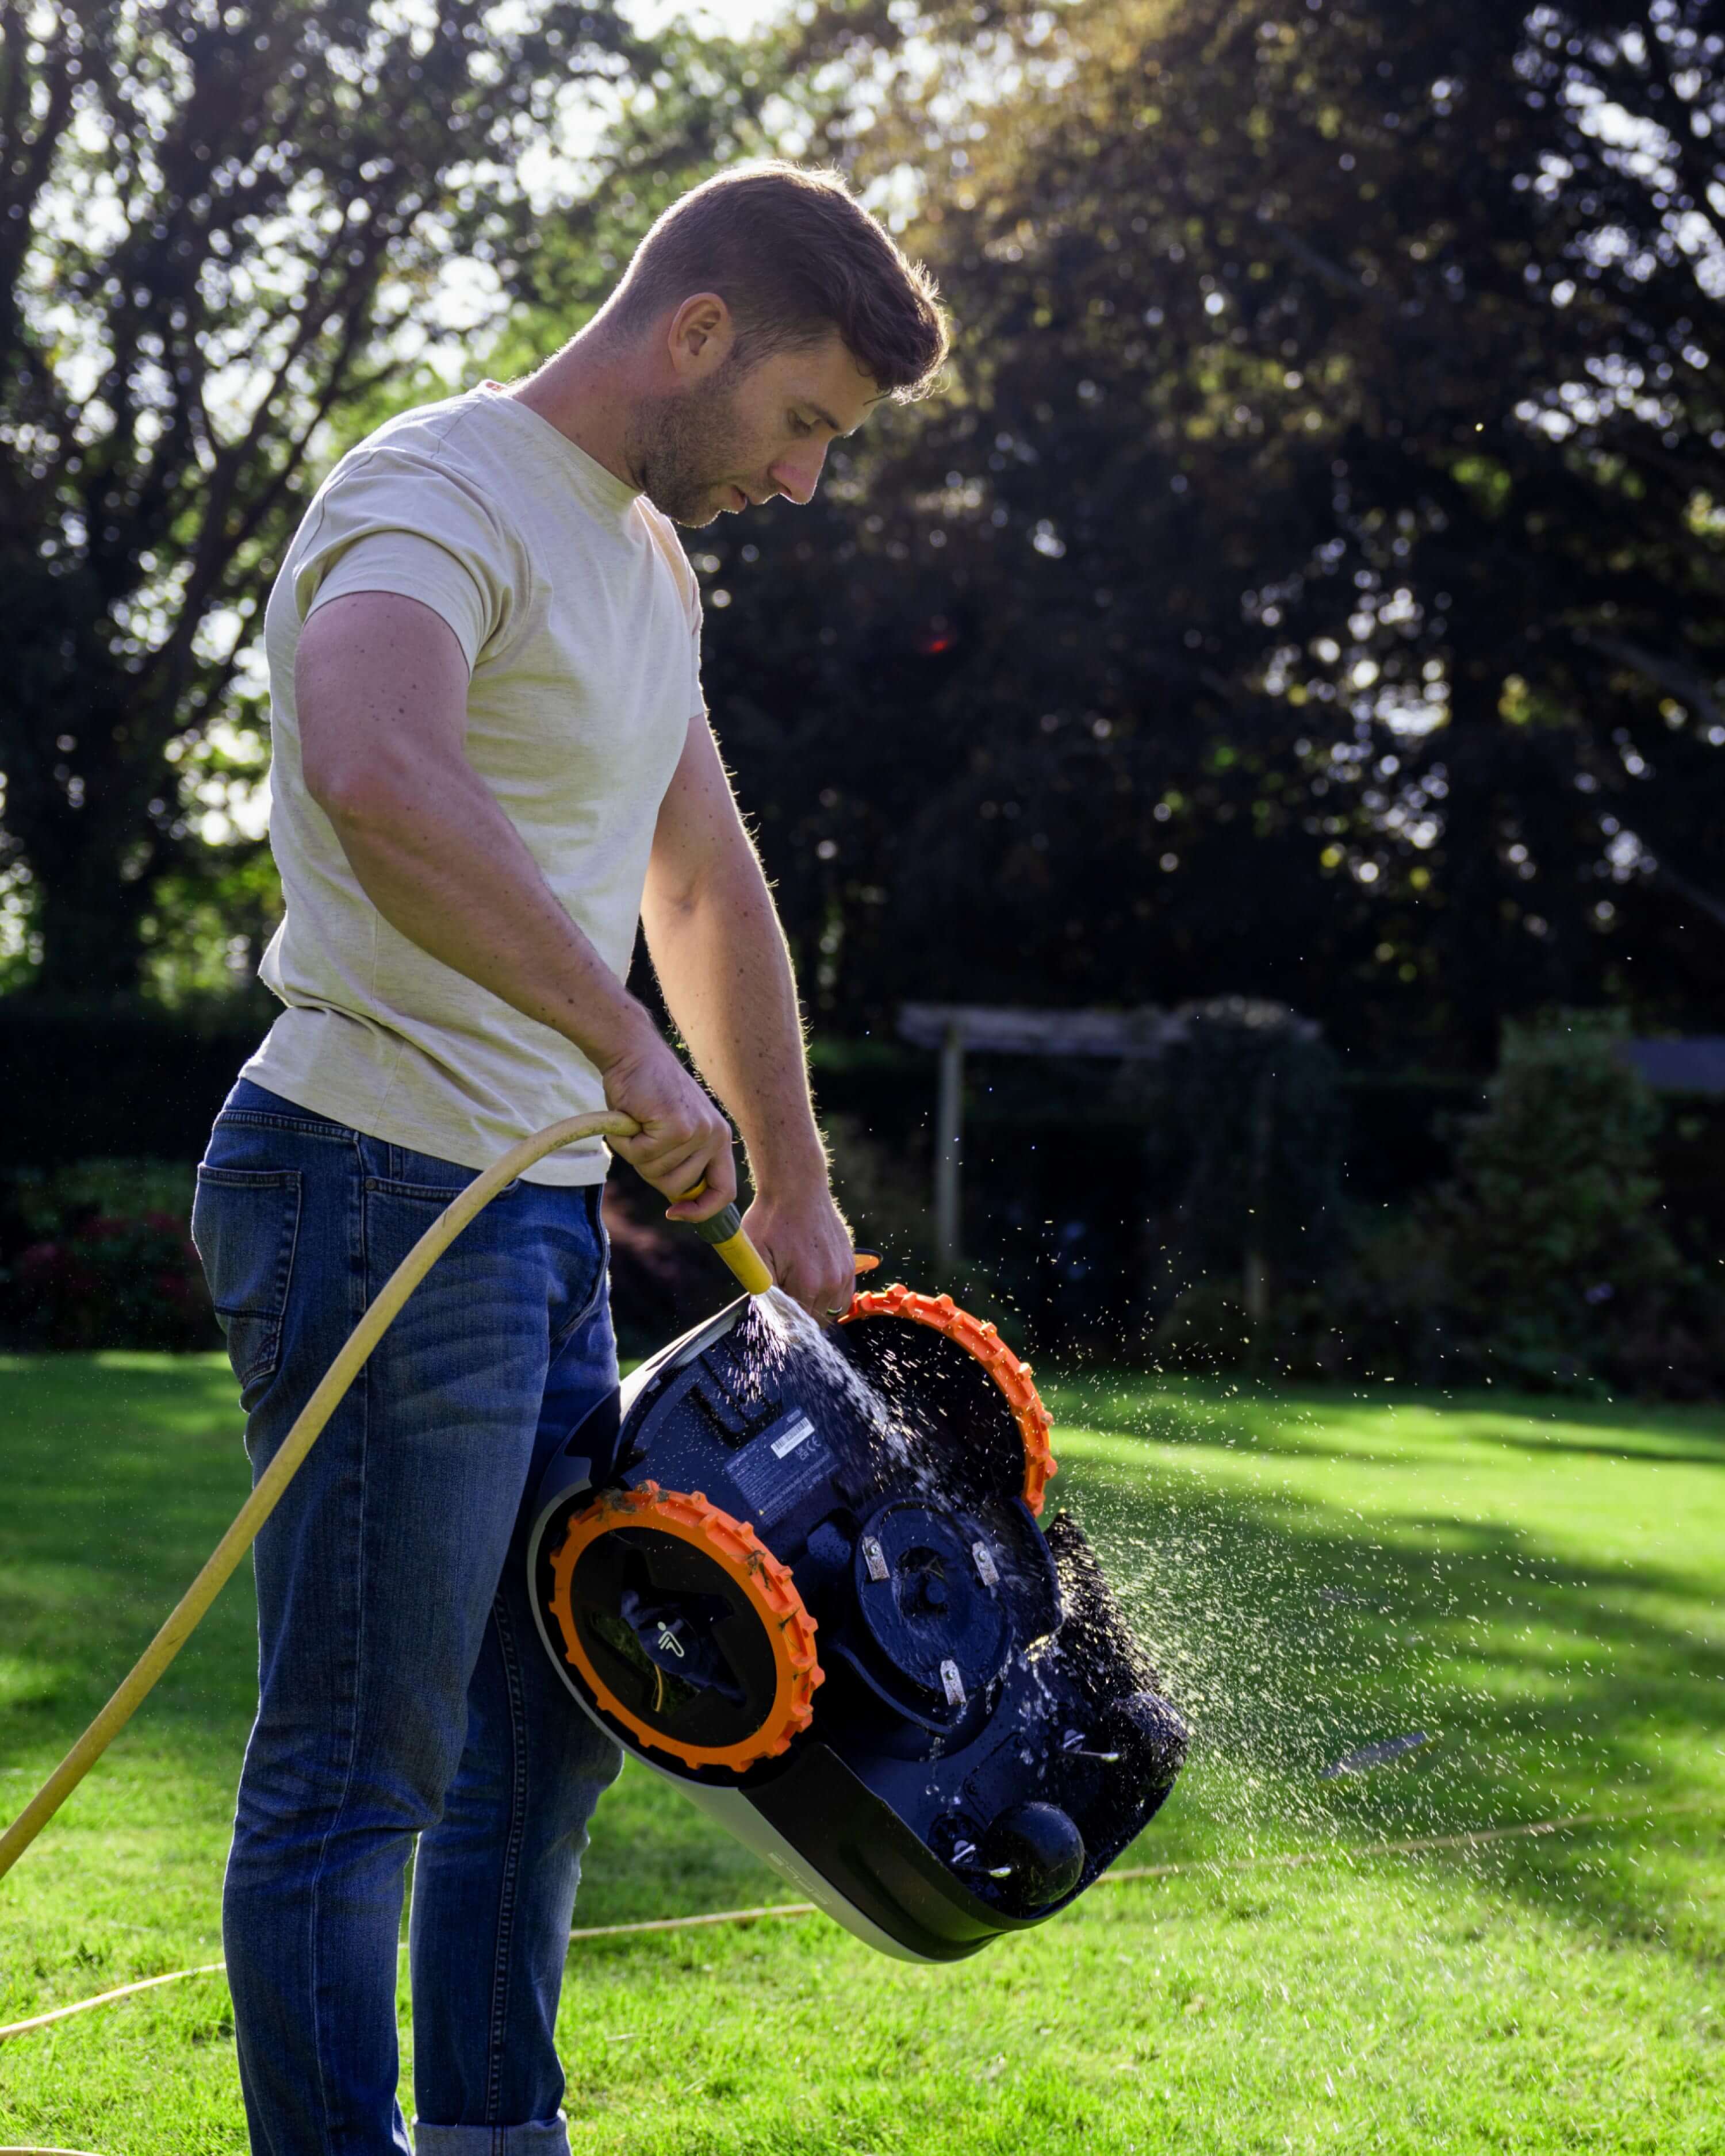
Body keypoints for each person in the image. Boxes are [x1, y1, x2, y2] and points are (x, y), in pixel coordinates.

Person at [190, 161, 948, 2156]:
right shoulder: (434, 490)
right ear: (696, 333)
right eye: (801, 421)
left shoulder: (648, 566)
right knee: (364, 1766)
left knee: (546, 1738)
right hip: (369, 1181)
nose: (802, 481)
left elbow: (700, 882)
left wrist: (793, 1178)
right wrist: (620, 1048)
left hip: (521, 1217)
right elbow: (373, 761)